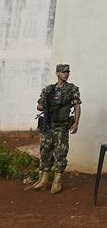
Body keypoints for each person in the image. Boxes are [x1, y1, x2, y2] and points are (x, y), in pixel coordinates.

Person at [25, 64, 81, 194]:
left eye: (67, 72)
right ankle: (43, 180)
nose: (65, 74)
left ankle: (56, 183)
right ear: (57, 73)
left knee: (61, 152)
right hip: (48, 125)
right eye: (63, 72)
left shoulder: (71, 89)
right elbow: (39, 106)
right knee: (45, 151)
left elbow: (77, 106)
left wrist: (76, 123)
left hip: (61, 126)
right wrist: (46, 104)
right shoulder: (49, 90)